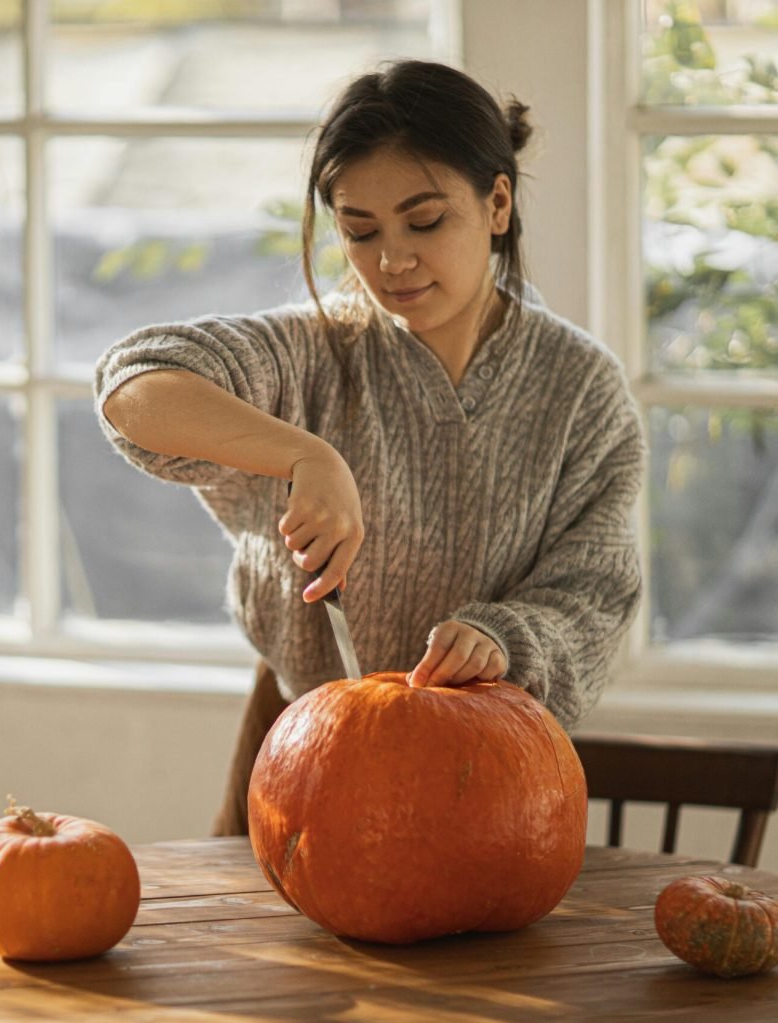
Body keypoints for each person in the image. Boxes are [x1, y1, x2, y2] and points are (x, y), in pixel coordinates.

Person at [94, 59, 645, 835]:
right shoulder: (310, 356)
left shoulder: (582, 387)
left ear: (497, 202)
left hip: (495, 771)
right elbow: (134, 384)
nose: (391, 261)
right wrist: (305, 455)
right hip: (305, 748)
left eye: (424, 222)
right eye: (360, 231)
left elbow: (594, 592)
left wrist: (501, 638)